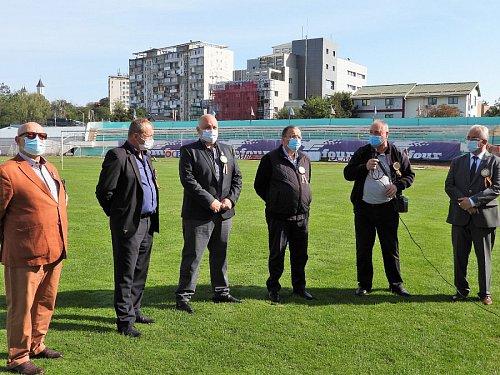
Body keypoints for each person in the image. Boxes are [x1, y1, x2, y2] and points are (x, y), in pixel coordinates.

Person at [0, 122, 67, 375]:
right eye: (31, 135)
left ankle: (36, 344)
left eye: (41, 135)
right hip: (24, 251)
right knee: (21, 306)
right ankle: (18, 357)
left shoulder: (50, 168)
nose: (37, 139)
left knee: (45, 303)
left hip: (54, 247)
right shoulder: (8, 171)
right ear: (18, 140)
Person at [96, 118, 159, 337]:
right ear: (135, 136)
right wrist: (119, 216)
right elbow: (104, 191)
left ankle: (135, 309)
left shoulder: (146, 156)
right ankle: (124, 320)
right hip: (128, 224)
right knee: (126, 272)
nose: (151, 139)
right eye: (148, 135)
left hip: (148, 222)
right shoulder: (118, 155)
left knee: (140, 270)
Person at [175, 114, 243, 313]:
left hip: (224, 214)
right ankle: (183, 296)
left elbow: (237, 178)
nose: (211, 130)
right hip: (197, 215)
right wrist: (210, 201)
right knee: (192, 256)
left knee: (220, 255)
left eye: (214, 126)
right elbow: (188, 181)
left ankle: (221, 292)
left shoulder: (227, 149)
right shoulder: (189, 151)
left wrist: (230, 199)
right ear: (198, 130)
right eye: (207, 127)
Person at [344, 120, 414, 297]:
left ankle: (396, 284)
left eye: (378, 133)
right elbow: (348, 173)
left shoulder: (396, 153)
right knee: (364, 248)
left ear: (386, 134)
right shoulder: (363, 152)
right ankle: (364, 284)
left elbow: (409, 175)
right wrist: (363, 167)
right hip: (364, 209)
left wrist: (397, 186)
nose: (374, 136)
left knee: (390, 248)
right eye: (372, 132)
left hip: (387, 209)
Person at [254, 126, 313, 303]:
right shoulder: (270, 159)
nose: (296, 139)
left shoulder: (304, 159)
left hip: (302, 216)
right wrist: (276, 200)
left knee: (300, 254)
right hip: (279, 216)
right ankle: (273, 288)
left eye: (299, 136)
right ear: (283, 139)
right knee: (277, 254)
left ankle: (299, 287)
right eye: (293, 136)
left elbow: (306, 182)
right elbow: (259, 186)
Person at [445, 125, 500, 305]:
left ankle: (485, 293)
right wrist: (465, 203)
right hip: (460, 216)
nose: (468, 141)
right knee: (459, 256)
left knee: (484, 257)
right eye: (467, 137)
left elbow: (496, 187)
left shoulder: (495, 162)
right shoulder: (457, 161)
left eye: (472, 138)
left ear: (483, 142)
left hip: (484, 218)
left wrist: (474, 201)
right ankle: (461, 290)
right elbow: (449, 185)